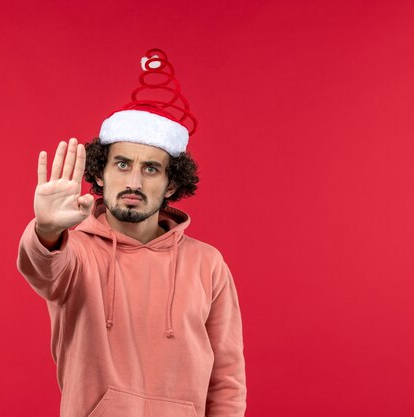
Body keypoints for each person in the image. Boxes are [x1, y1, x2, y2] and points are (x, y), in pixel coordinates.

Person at [17, 49, 246, 417]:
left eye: (152, 169)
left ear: (172, 184)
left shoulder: (208, 263)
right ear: (101, 173)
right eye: (122, 164)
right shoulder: (75, 253)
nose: (134, 182)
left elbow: (227, 378)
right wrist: (46, 230)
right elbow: (44, 269)